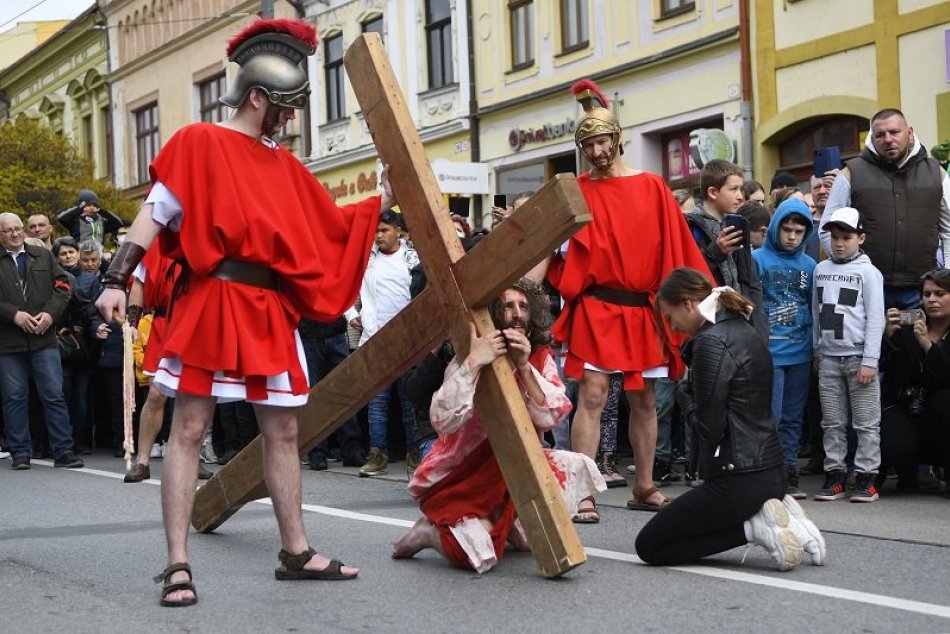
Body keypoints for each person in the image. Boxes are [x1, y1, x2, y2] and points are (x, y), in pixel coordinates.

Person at [95, 19, 392, 606]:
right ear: (257, 97)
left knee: (284, 430)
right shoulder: (197, 143)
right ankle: (177, 564)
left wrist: (382, 198)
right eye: (282, 108)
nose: (287, 121)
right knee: (189, 428)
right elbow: (154, 214)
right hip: (213, 301)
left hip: (267, 309)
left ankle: (296, 551)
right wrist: (114, 278)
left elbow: (326, 227)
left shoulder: (284, 164)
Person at [534, 79, 711, 519]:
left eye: (601, 142)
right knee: (592, 395)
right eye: (588, 145)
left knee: (646, 399)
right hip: (596, 306)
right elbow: (546, 246)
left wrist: (702, 300)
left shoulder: (652, 187)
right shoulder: (575, 190)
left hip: (643, 309)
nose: (596, 151)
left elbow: (678, 249)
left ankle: (645, 485)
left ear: (617, 139)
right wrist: (524, 290)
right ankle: (583, 492)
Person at [392, 279, 605, 572]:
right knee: (475, 556)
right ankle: (427, 533)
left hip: (517, 466)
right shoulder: (471, 354)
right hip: (466, 475)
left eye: (523, 307)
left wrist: (524, 367)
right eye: (508, 306)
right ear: (493, 313)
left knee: (574, 470)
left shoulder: (539, 358)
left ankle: (509, 525)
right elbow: (442, 419)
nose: (517, 314)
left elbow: (552, 417)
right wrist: (475, 362)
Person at [635, 267, 825, 570]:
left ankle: (755, 527)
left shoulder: (710, 342)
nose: (673, 327)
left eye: (670, 317)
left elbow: (709, 430)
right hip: (770, 472)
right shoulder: (744, 326)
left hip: (738, 479)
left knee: (649, 546)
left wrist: (684, 394)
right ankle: (784, 520)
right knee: (680, 530)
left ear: (688, 304)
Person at [822, 108, 950, 309]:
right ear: (872, 138)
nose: (888, 139)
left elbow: (949, 230)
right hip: (867, 287)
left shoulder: (936, 172)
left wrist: (946, 277)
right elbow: (826, 227)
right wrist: (848, 270)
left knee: (919, 332)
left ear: (909, 132)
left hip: (922, 288)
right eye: (880, 135)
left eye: (894, 132)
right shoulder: (851, 173)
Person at [0, 212, 84, 471]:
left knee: (54, 395)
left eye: (18, 228)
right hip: (8, 343)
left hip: (44, 339)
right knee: (14, 398)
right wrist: (13, 314)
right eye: (8, 230)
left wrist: (50, 314)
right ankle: (20, 453)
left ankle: (63, 451)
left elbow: (63, 286)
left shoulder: (43, 255)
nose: (15, 234)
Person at [812, 207, 885, 503]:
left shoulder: (869, 273)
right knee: (831, 421)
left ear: (861, 238)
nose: (839, 243)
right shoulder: (821, 270)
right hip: (828, 357)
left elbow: (876, 319)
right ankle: (835, 474)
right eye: (835, 237)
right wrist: (816, 350)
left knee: (866, 422)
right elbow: (816, 313)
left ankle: (867, 477)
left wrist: (870, 360)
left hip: (858, 357)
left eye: (846, 237)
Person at [346, 210, 420, 477]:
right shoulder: (367, 260)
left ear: (399, 231)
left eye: (384, 230)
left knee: (409, 402)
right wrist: (352, 315)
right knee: (377, 403)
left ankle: (415, 454)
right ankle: (377, 455)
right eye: (376, 231)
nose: (378, 236)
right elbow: (346, 288)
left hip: (408, 341)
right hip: (375, 341)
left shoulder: (414, 259)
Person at [752, 198, 817, 499]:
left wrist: (815, 350)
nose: (792, 236)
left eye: (799, 231)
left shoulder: (810, 265)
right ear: (775, 227)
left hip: (801, 352)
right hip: (769, 353)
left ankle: (788, 469)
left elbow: (814, 307)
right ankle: (766, 471)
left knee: (793, 416)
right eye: (786, 229)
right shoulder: (757, 259)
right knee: (771, 416)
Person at [879, 269, 950, 491]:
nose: (932, 300)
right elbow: (884, 367)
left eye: (940, 294)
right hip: (906, 401)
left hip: (942, 405)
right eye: (927, 294)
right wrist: (888, 337)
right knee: (896, 445)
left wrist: (928, 346)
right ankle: (906, 472)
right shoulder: (909, 325)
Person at [685, 159, 768, 340]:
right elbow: (687, 277)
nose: (740, 196)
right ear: (713, 192)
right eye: (734, 189)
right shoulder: (690, 226)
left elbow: (750, 281)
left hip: (739, 323)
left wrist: (759, 332)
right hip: (708, 327)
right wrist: (716, 252)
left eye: (741, 189)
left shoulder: (737, 223)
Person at [57, 189, 125, 246]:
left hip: (98, 255)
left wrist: (101, 211)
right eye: (89, 205)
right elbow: (61, 217)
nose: (92, 207)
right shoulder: (75, 221)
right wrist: (79, 209)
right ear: (82, 206)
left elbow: (118, 222)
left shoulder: (101, 222)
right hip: (80, 254)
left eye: (95, 205)